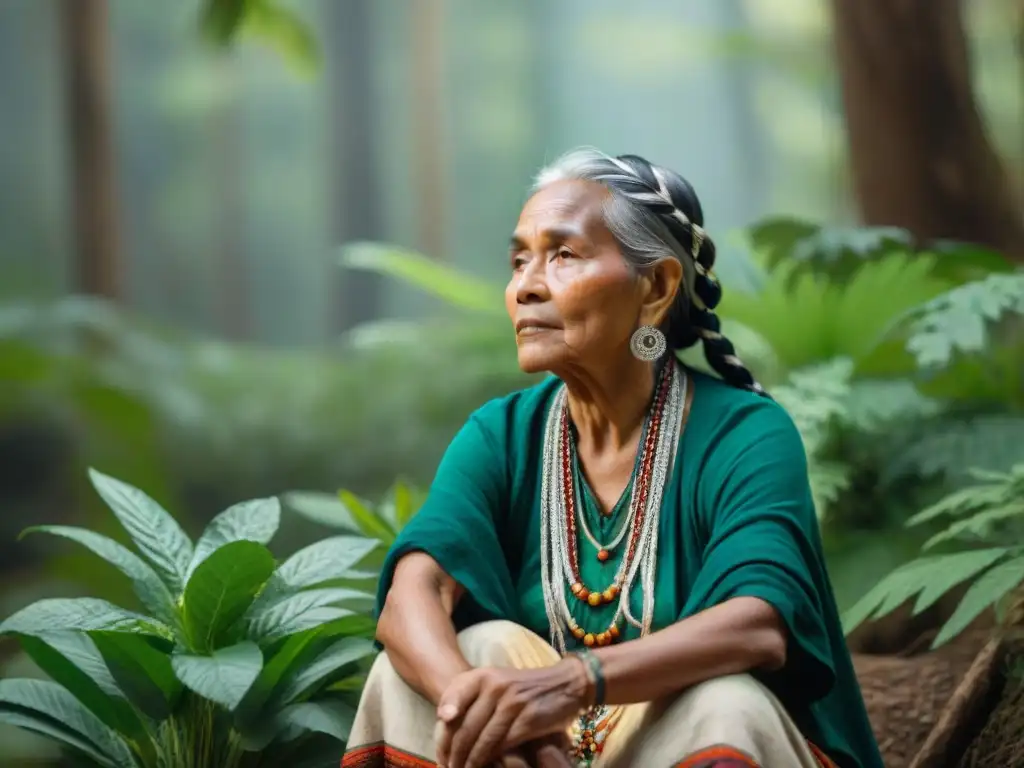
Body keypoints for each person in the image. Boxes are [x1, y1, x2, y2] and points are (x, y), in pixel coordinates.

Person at [340, 149, 883, 768]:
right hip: (542, 751)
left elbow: (757, 623)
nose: (526, 285)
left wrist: (568, 684)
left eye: (563, 255)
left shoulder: (744, 433)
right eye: (519, 260)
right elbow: (414, 593)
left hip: (679, 741)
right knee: (451, 659)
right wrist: (472, 706)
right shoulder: (502, 434)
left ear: (654, 288)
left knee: (724, 702)